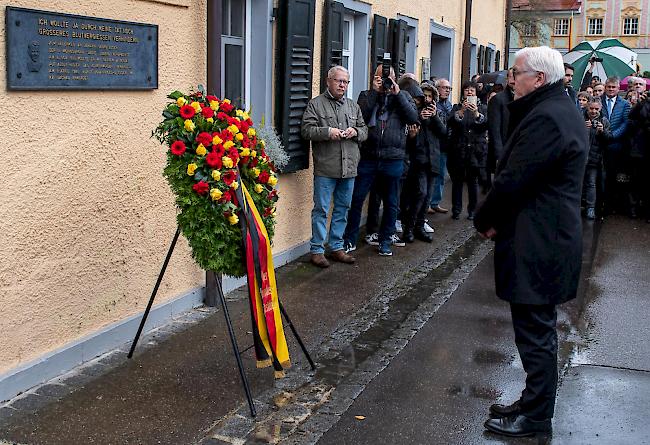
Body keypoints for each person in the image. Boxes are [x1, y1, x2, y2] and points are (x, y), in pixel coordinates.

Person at [475, 46, 588, 438]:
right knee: (534, 329)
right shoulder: (555, 108)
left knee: (536, 332)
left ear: (539, 78)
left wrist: (485, 218)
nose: (511, 79)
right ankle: (533, 398)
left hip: (540, 241)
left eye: (516, 72)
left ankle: (537, 416)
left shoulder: (549, 117)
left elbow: (514, 179)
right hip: (542, 237)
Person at [343, 64, 418, 256]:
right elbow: (360, 118)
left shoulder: (403, 96)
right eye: (380, 77)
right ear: (374, 78)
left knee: (392, 202)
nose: (385, 81)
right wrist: (376, 93)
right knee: (357, 198)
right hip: (368, 156)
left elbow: (412, 117)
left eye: (389, 77)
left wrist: (397, 93)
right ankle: (349, 239)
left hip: (393, 157)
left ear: (395, 78)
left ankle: (385, 240)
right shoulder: (366, 95)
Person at [301, 66, 368, 268]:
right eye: (338, 81)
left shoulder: (353, 106)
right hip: (326, 168)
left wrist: (355, 131)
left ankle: (337, 247)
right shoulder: (316, 105)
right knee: (321, 209)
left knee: (342, 208)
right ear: (328, 81)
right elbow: (306, 130)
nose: (342, 85)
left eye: (345, 82)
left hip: (349, 168)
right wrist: (326, 132)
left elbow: (365, 131)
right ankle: (317, 250)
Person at [400, 82, 446, 243]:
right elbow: (407, 139)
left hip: (433, 159)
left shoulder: (436, 113)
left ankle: (419, 226)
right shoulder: (412, 113)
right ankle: (409, 228)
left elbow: (443, 133)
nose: (426, 99)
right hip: (418, 160)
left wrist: (434, 117)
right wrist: (419, 119)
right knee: (420, 193)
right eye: (423, 96)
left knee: (426, 198)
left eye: (429, 96)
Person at [447, 81, 488, 220]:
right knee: (457, 181)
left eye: (472, 91)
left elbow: (484, 126)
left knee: (473, 182)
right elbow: (451, 123)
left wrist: (476, 113)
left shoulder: (482, 108)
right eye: (467, 90)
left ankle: (472, 210)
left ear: (476, 94)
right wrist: (462, 111)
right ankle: (456, 210)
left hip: (475, 151)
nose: (469, 93)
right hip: (459, 150)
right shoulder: (456, 107)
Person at [600, 76, 631, 215]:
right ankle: (600, 204)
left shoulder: (625, 104)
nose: (611, 89)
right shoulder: (598, 101)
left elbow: (626, 123)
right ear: (605, 87)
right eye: (609, 87)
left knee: (612, 177)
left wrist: (613, 135)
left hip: (615, 146)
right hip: (599, 144)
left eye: (613, 87)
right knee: (599, 177)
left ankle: (611, 205)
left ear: (618, 88)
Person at [582, 98, 611, 220]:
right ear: (587, 108)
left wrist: (602, 132)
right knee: (576, 183)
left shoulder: (604, 120)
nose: (593, 111)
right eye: (591, 109)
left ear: (600, 109)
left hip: (595, 158)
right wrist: (583, 128)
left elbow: (609, 139)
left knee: (591, 183)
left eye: (596, 109)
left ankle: (590, 208)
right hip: (580, 158)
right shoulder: (580, 118)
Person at [428, 78, 453, 214]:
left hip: (444, 145)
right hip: (433, 144)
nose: (447, 91)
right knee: (431, 175)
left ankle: (435, 201)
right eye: (445, 88)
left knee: (441, 175)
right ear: (437, 89)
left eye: (449, 88)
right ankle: (428, 203)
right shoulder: (433, 104)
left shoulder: (449, 105)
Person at [487, 69, 515, 188]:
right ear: (507, 79)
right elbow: (495, 130)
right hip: (504, 149)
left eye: (517, 76)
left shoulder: (527, 97)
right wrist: (499, 155)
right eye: (511, 77)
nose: (514, 80)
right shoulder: (498, 99)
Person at [626, 90, 650, 221]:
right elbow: (631, 115)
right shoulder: (644, 103)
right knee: (636, 181)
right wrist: (640, 103)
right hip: (640, 148)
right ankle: (633, 209)